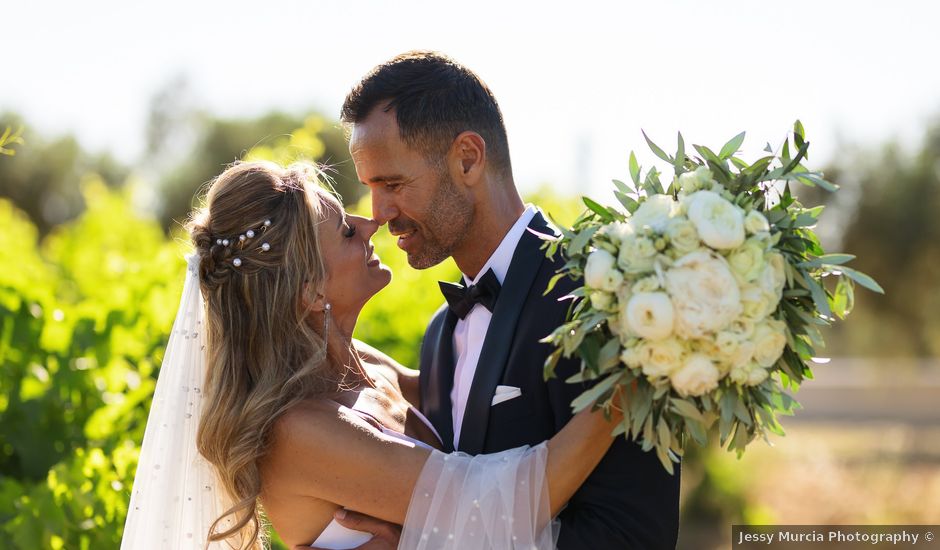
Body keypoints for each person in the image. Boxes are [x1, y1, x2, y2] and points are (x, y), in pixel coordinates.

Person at [120, 160, 626, 550]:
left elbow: (480, 401)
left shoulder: (367, 365)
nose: (370, 224)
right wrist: (635, 373)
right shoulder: (299, 431)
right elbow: (502, 502)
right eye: (344, 230)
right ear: (309, 290)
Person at [336, 51, 681, 549]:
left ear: (468, 159)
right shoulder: (440, 335)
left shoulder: (598, 301)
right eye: (371, 187)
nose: (380, 212)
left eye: (392, 184)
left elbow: (634, 535)